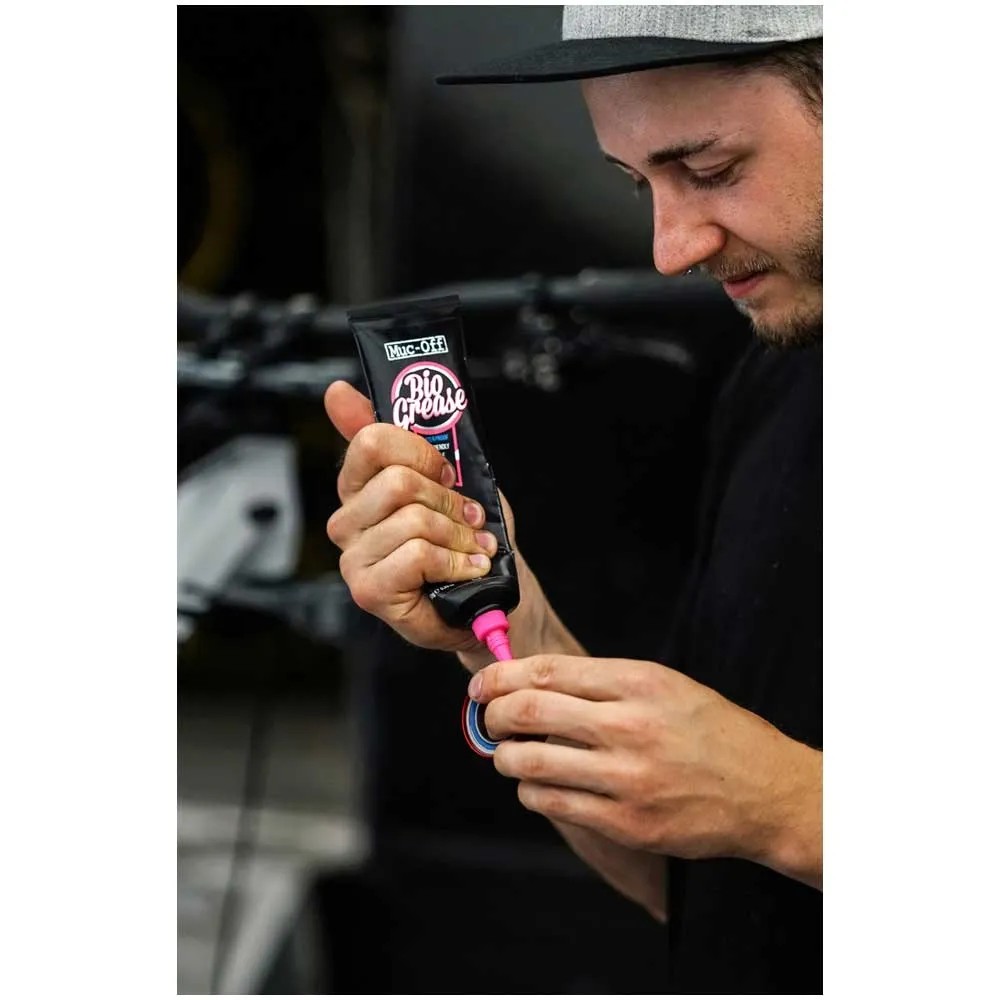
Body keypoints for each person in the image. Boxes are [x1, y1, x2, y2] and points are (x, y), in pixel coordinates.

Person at [324, 5, 822, 993]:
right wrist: (504, 619)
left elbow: (760, 813)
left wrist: (785, 805)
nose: (671, 247)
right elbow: (703, 893)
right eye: (637, 183)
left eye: (711, 168)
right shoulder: (780, 380)